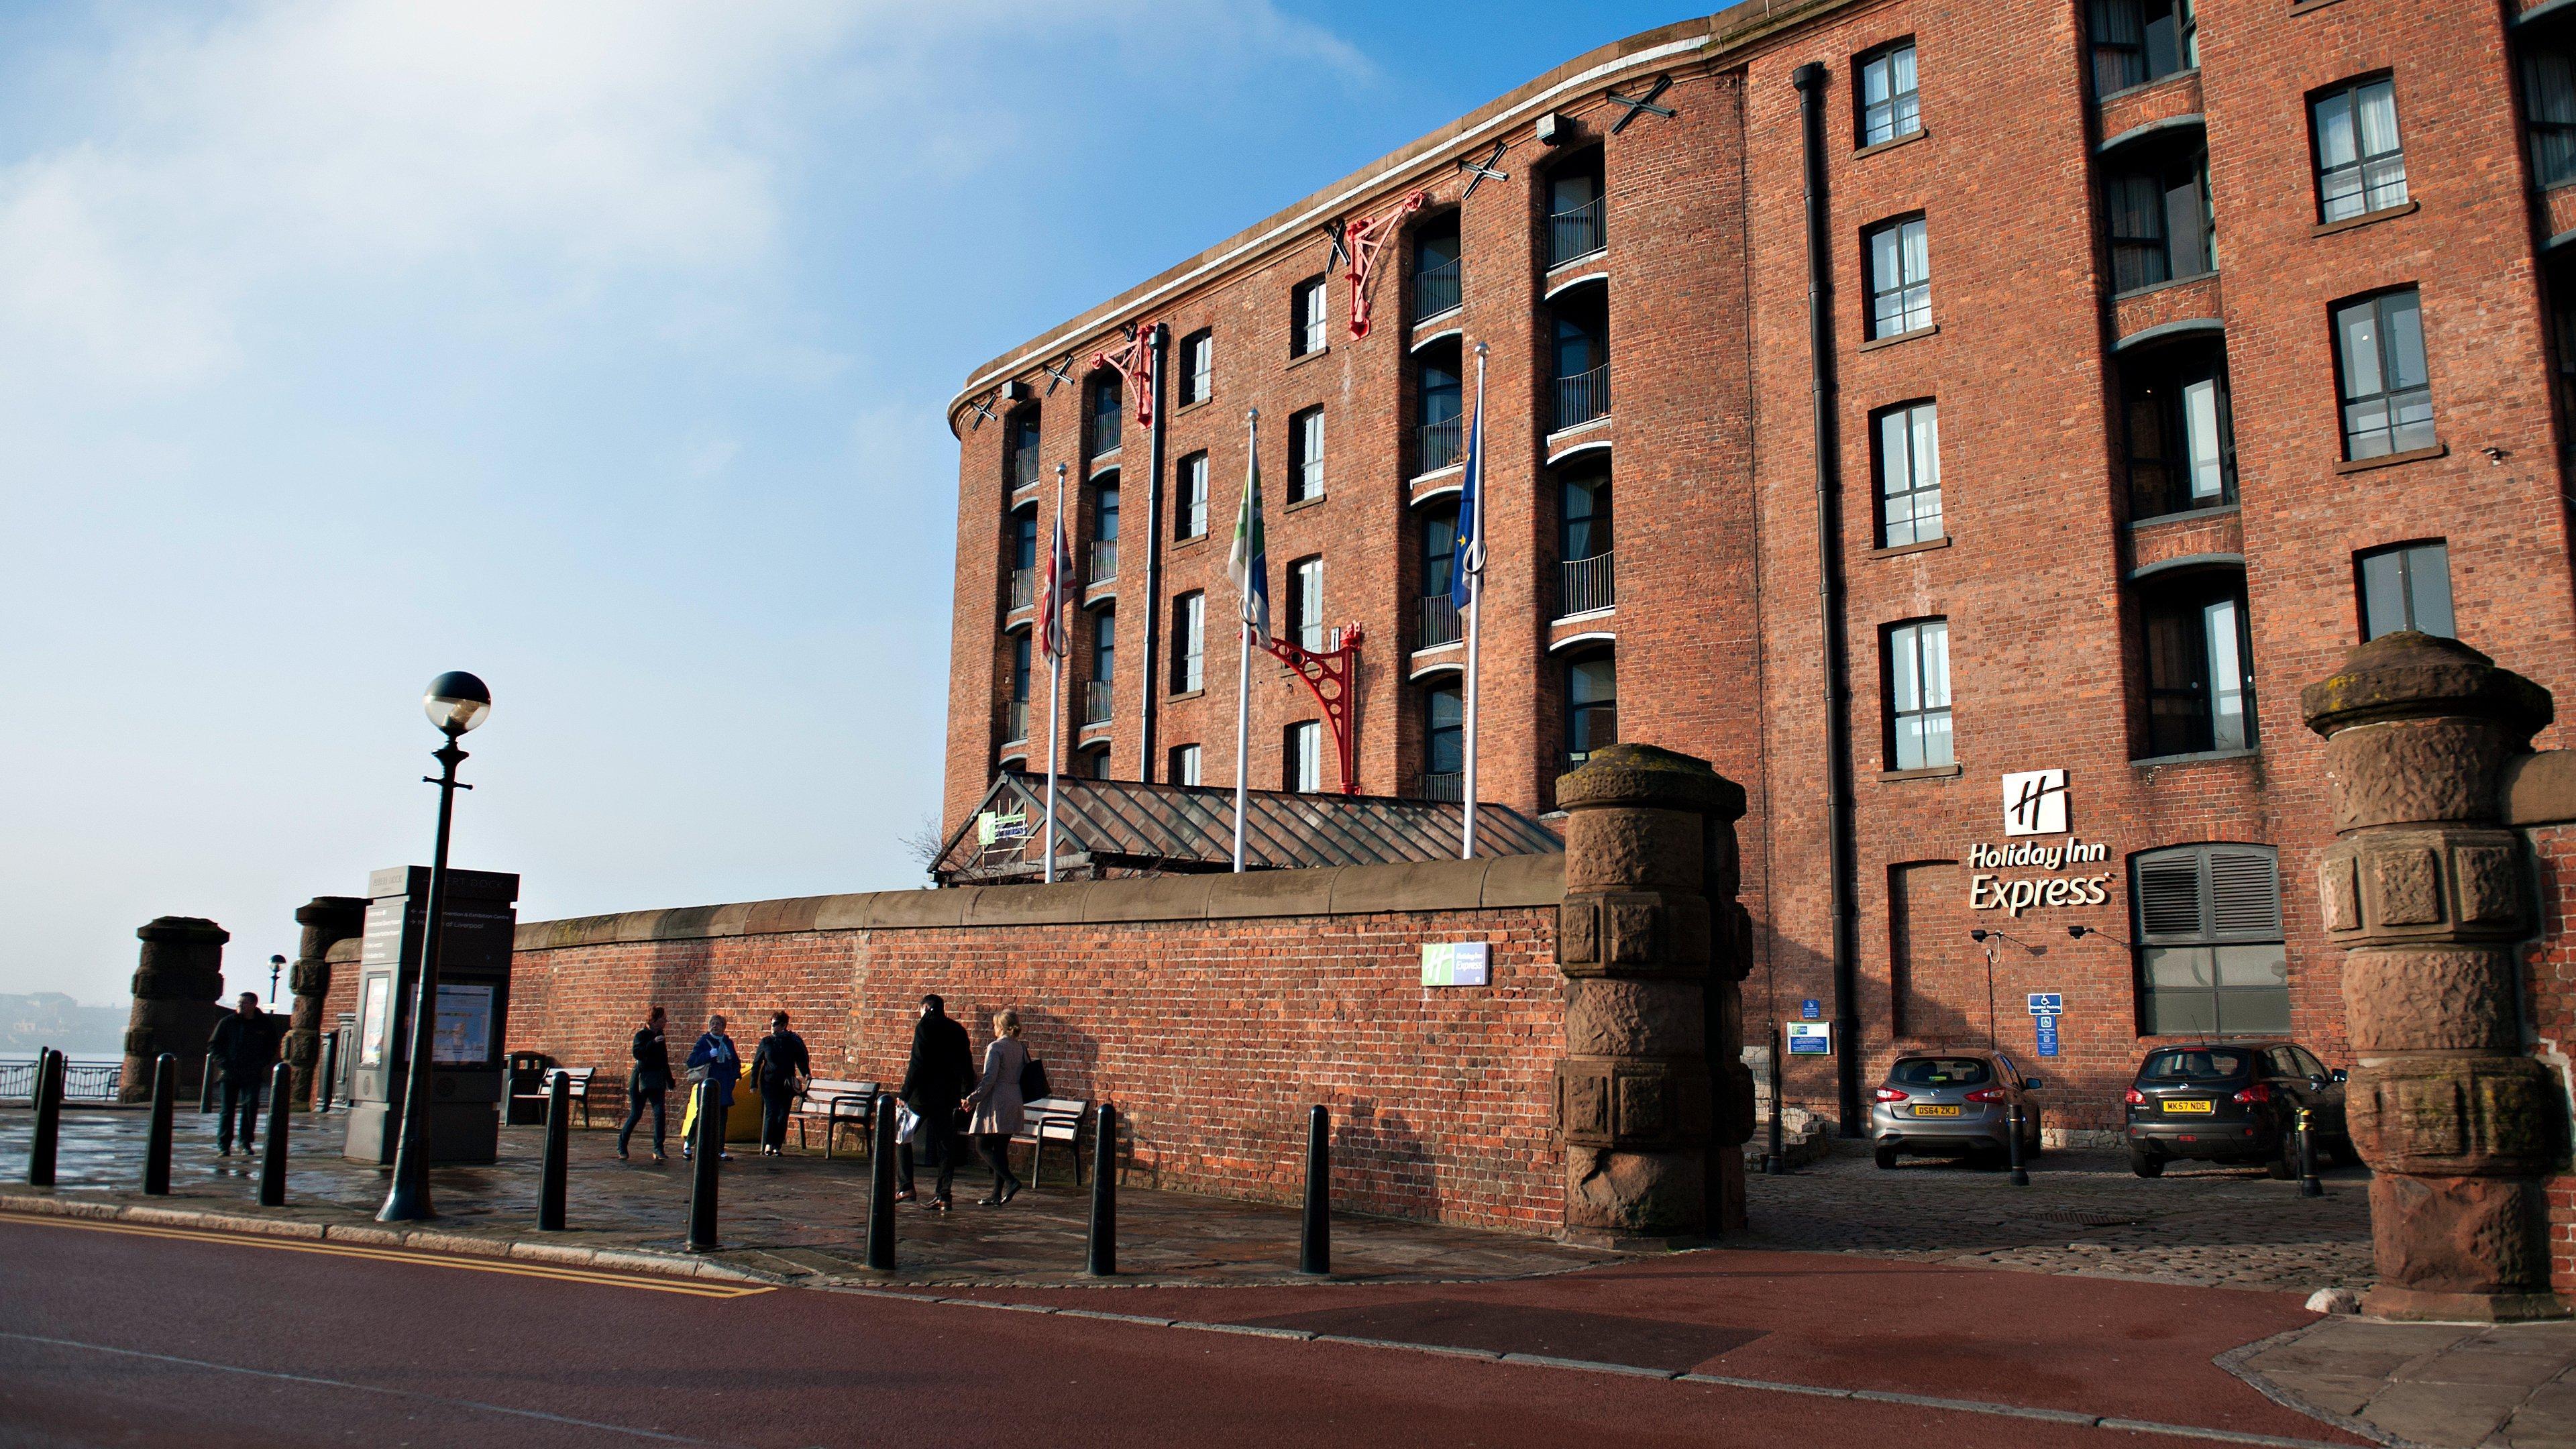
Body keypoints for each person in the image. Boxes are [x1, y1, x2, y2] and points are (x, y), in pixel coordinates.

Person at [897, 994, 973, 1210]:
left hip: (921, 1097)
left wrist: (904, 1093)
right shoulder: (958, 1030)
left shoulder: (924, 1027)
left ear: (926, 1008)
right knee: (945, 1147)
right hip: (947, 1097)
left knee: (902, 1136)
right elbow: (967, 1064)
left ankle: (906, 1186)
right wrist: (967, 1092)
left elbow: (917, 1063)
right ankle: (944, 1195)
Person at [963, 1010, 1029, 1207]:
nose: (993, 1028)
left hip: (997, 1101)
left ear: (1001, 1026)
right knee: (1000, 1149)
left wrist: (972, 1099)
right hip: (1015, 1098)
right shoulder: (1021, 1048)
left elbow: (989, 1079)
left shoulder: (995, 1047)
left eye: (995, 1024)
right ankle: (996, 1194)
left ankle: (1011, 1181)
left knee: (982, 1145)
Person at [206, 992, 280, 1157]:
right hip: (229, 1072)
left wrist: (261, 1063)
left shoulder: (264, 1024)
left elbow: (272, 1046)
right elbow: (214, 1045)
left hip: (252, 1072)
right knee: (227, 1110)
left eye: (245, 1003)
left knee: (250, 1107)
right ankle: (224, 1145)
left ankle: (245, 1142)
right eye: (239, 1002)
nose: (240, 1005)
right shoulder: (227, 1022)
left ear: (254, 1004)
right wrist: (223, 1062)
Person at [681, 1012, 741, 1162]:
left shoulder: (728, 1043)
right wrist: (709, 1055)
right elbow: (691, 1061)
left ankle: (720, 1149)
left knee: (722, 1118)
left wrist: (734, 1077)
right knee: (703, 1115)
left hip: (724, 1086)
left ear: (723, 1028)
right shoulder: (704, 1042)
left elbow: (735, 1062)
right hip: (708, 1085)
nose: (715, 1026)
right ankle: (689, 1143)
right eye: (712, 1024)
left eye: (718, 1024)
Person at [751, 1011, 810, 1157]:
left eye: (776, 1024)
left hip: (786, 1083)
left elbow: (801, 1059)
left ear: (784, 1025)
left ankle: (777, 1145)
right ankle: (768, 1144)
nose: (773, 1027)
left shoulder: (792, 1041)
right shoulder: (766, 1042)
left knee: (783, 1114)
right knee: (771, 1112)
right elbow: (757, 1062)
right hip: (769, 1082)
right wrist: (753, 1083)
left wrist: (806, 1073)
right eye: (771, 1023)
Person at [617, 1006, 672, 1163]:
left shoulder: (661, 1036)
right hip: (641, 1078)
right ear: (654, 1020)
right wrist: (653, 1043)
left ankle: (658, 1148)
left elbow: (664, 1059)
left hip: (657, 1078)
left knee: (660, 1113)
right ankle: (622, 1144)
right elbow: (638, 1053)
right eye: (663, 1019)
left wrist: (669, 1079)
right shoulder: (641, 1035)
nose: (665, 1022)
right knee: (636, 1114)